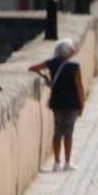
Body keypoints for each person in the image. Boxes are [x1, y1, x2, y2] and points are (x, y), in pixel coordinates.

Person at [28, 38, 86, 172]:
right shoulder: (74, 66)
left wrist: (45, 77)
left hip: (57, 102)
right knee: (68, 132)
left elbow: (33, 68)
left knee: (57, 131)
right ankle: (67, 162)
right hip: (71, 103)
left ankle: (56, 162)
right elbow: (79, 87)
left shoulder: (51, 63)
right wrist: (81, 104)